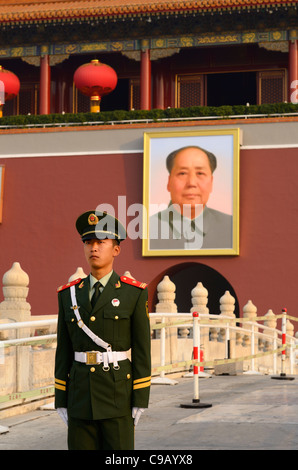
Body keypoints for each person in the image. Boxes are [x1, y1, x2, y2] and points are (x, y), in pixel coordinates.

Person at [54, 210, 151, 450]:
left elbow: (142, 350)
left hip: (117, 395)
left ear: (115, 250)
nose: (93, 248)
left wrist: (140, 397)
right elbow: (63, 349)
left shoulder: (133, 293)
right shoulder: (69, 294)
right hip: (80, 396)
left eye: (100, 243)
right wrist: (61, 397)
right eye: (88, 243)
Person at [149, 145, 233, 250]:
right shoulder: (146, 230)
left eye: (200, 173)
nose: (191, 183)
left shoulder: (232, 228)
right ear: (169, 182)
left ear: (211, 182)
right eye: (182, 173)